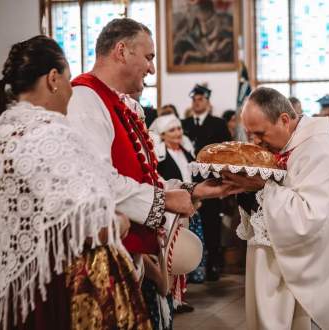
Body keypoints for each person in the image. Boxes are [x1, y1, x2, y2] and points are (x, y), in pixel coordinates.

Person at [66, 18, 237, 329]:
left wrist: (195, 191)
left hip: (138, 256)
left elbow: (144, 179)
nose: (152, 69)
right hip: (109, 265)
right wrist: (165, 202)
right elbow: (99, 183)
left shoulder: (124, 105)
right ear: (121, 51)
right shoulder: (84, 100)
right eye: (149, 57)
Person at [0, 36, 150, 329]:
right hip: (50, 287)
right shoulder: (52, 134)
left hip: (12, 290)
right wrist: (119, 223)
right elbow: (94, 228)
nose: (71, 91)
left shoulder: (3, 133)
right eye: (68, 80)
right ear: (53, 79)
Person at [223, 87, 329, 329]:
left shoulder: (319, 152)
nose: (256, 142)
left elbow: (309, 219)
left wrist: (262, 188)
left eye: (260, 133)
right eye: (250, 134)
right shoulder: (296, 146)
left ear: (285, 120)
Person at [150, 114, 206, 313]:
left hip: (191, 206)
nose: (178, 133)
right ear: (163, 135)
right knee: (175, 254)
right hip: (171, 208)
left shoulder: (187, 151)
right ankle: (171, 298)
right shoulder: (160, 155)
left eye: (179, 129)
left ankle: (180, 297)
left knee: (188, 251)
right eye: (172, 130)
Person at [182, 83, 232, 281]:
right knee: (191, 224)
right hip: (189, 181)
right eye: (194, 99)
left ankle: (213, 265)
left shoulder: (218, 123)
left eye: (200, 99)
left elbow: (225, 149)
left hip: (209, 180)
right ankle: (191, 266)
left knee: (212, 225)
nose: (196, 102)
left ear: (208, 102)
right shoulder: (184, 123)